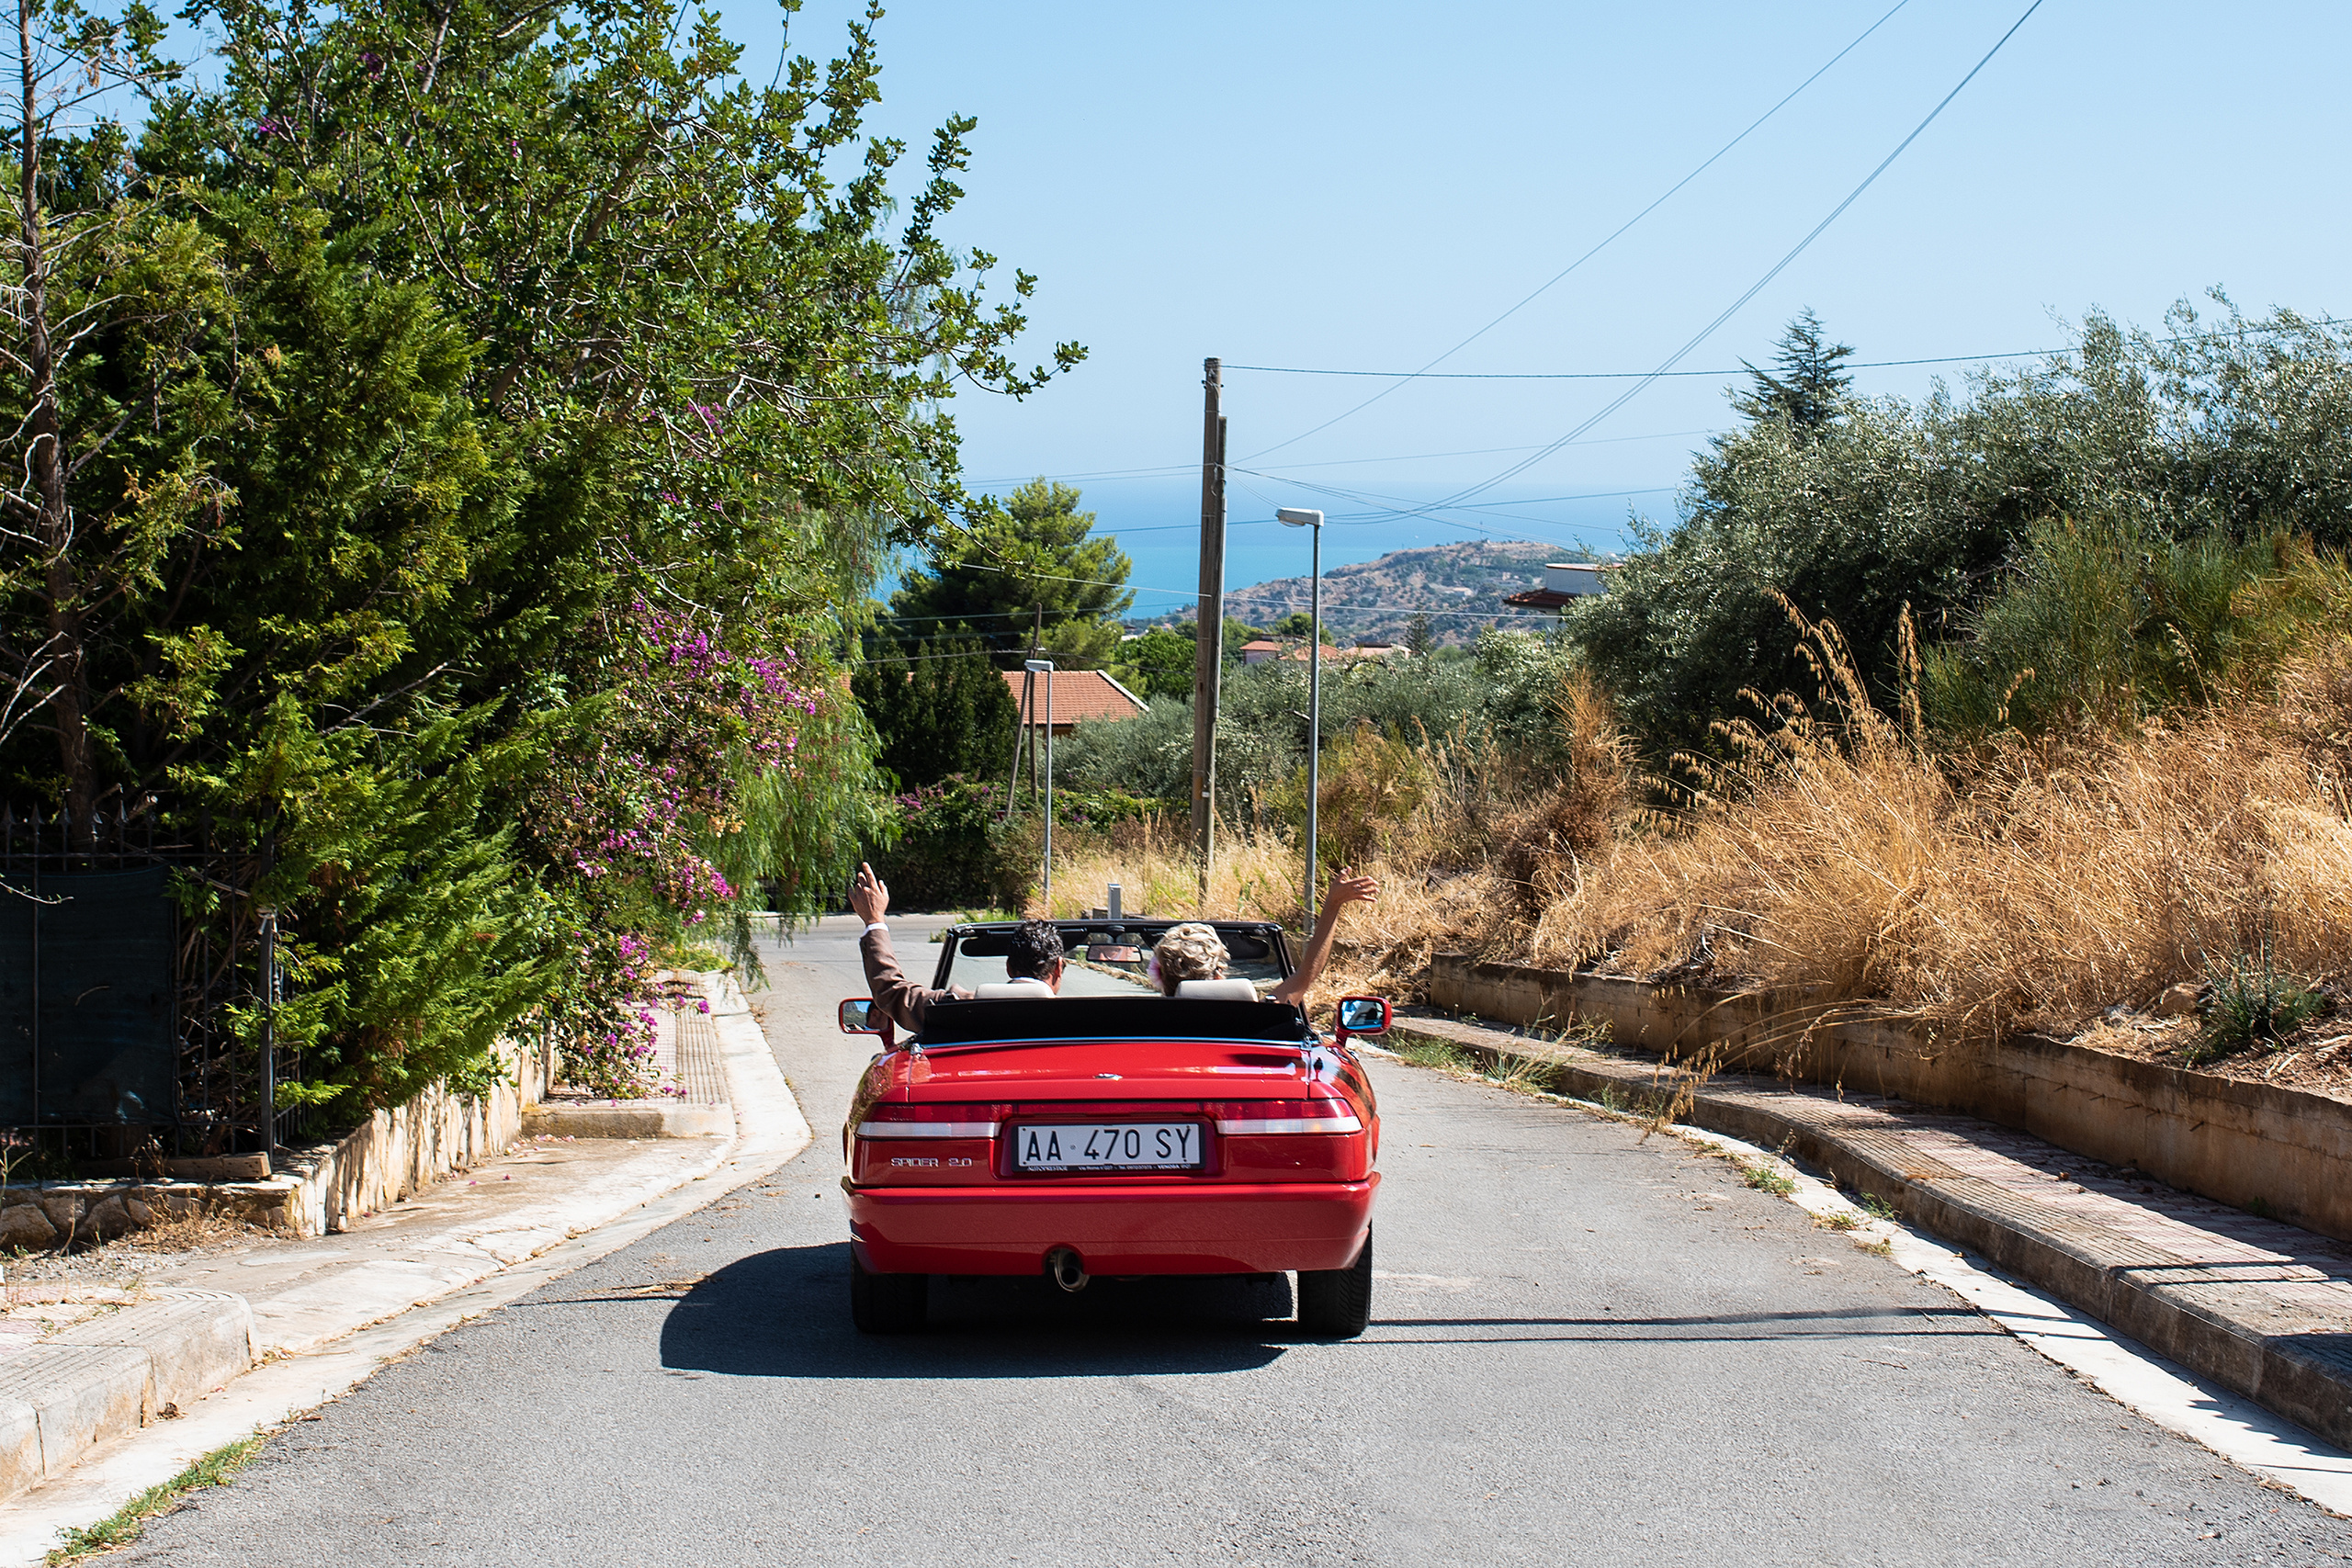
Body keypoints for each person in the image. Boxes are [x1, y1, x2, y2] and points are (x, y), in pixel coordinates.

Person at [848, 863, 1066, 1032]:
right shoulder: (1086, 1021)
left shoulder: (956, 1007)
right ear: (1057, 968)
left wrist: (874, 920)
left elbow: (891, 991)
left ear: (1009, 967)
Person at [1150, 868, 1379, 1009]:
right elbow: (1306, 974)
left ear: (1159, 974)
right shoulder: (1256, 1023)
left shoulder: (1136, 1029)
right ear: (1219, 975)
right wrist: (1332, 904)